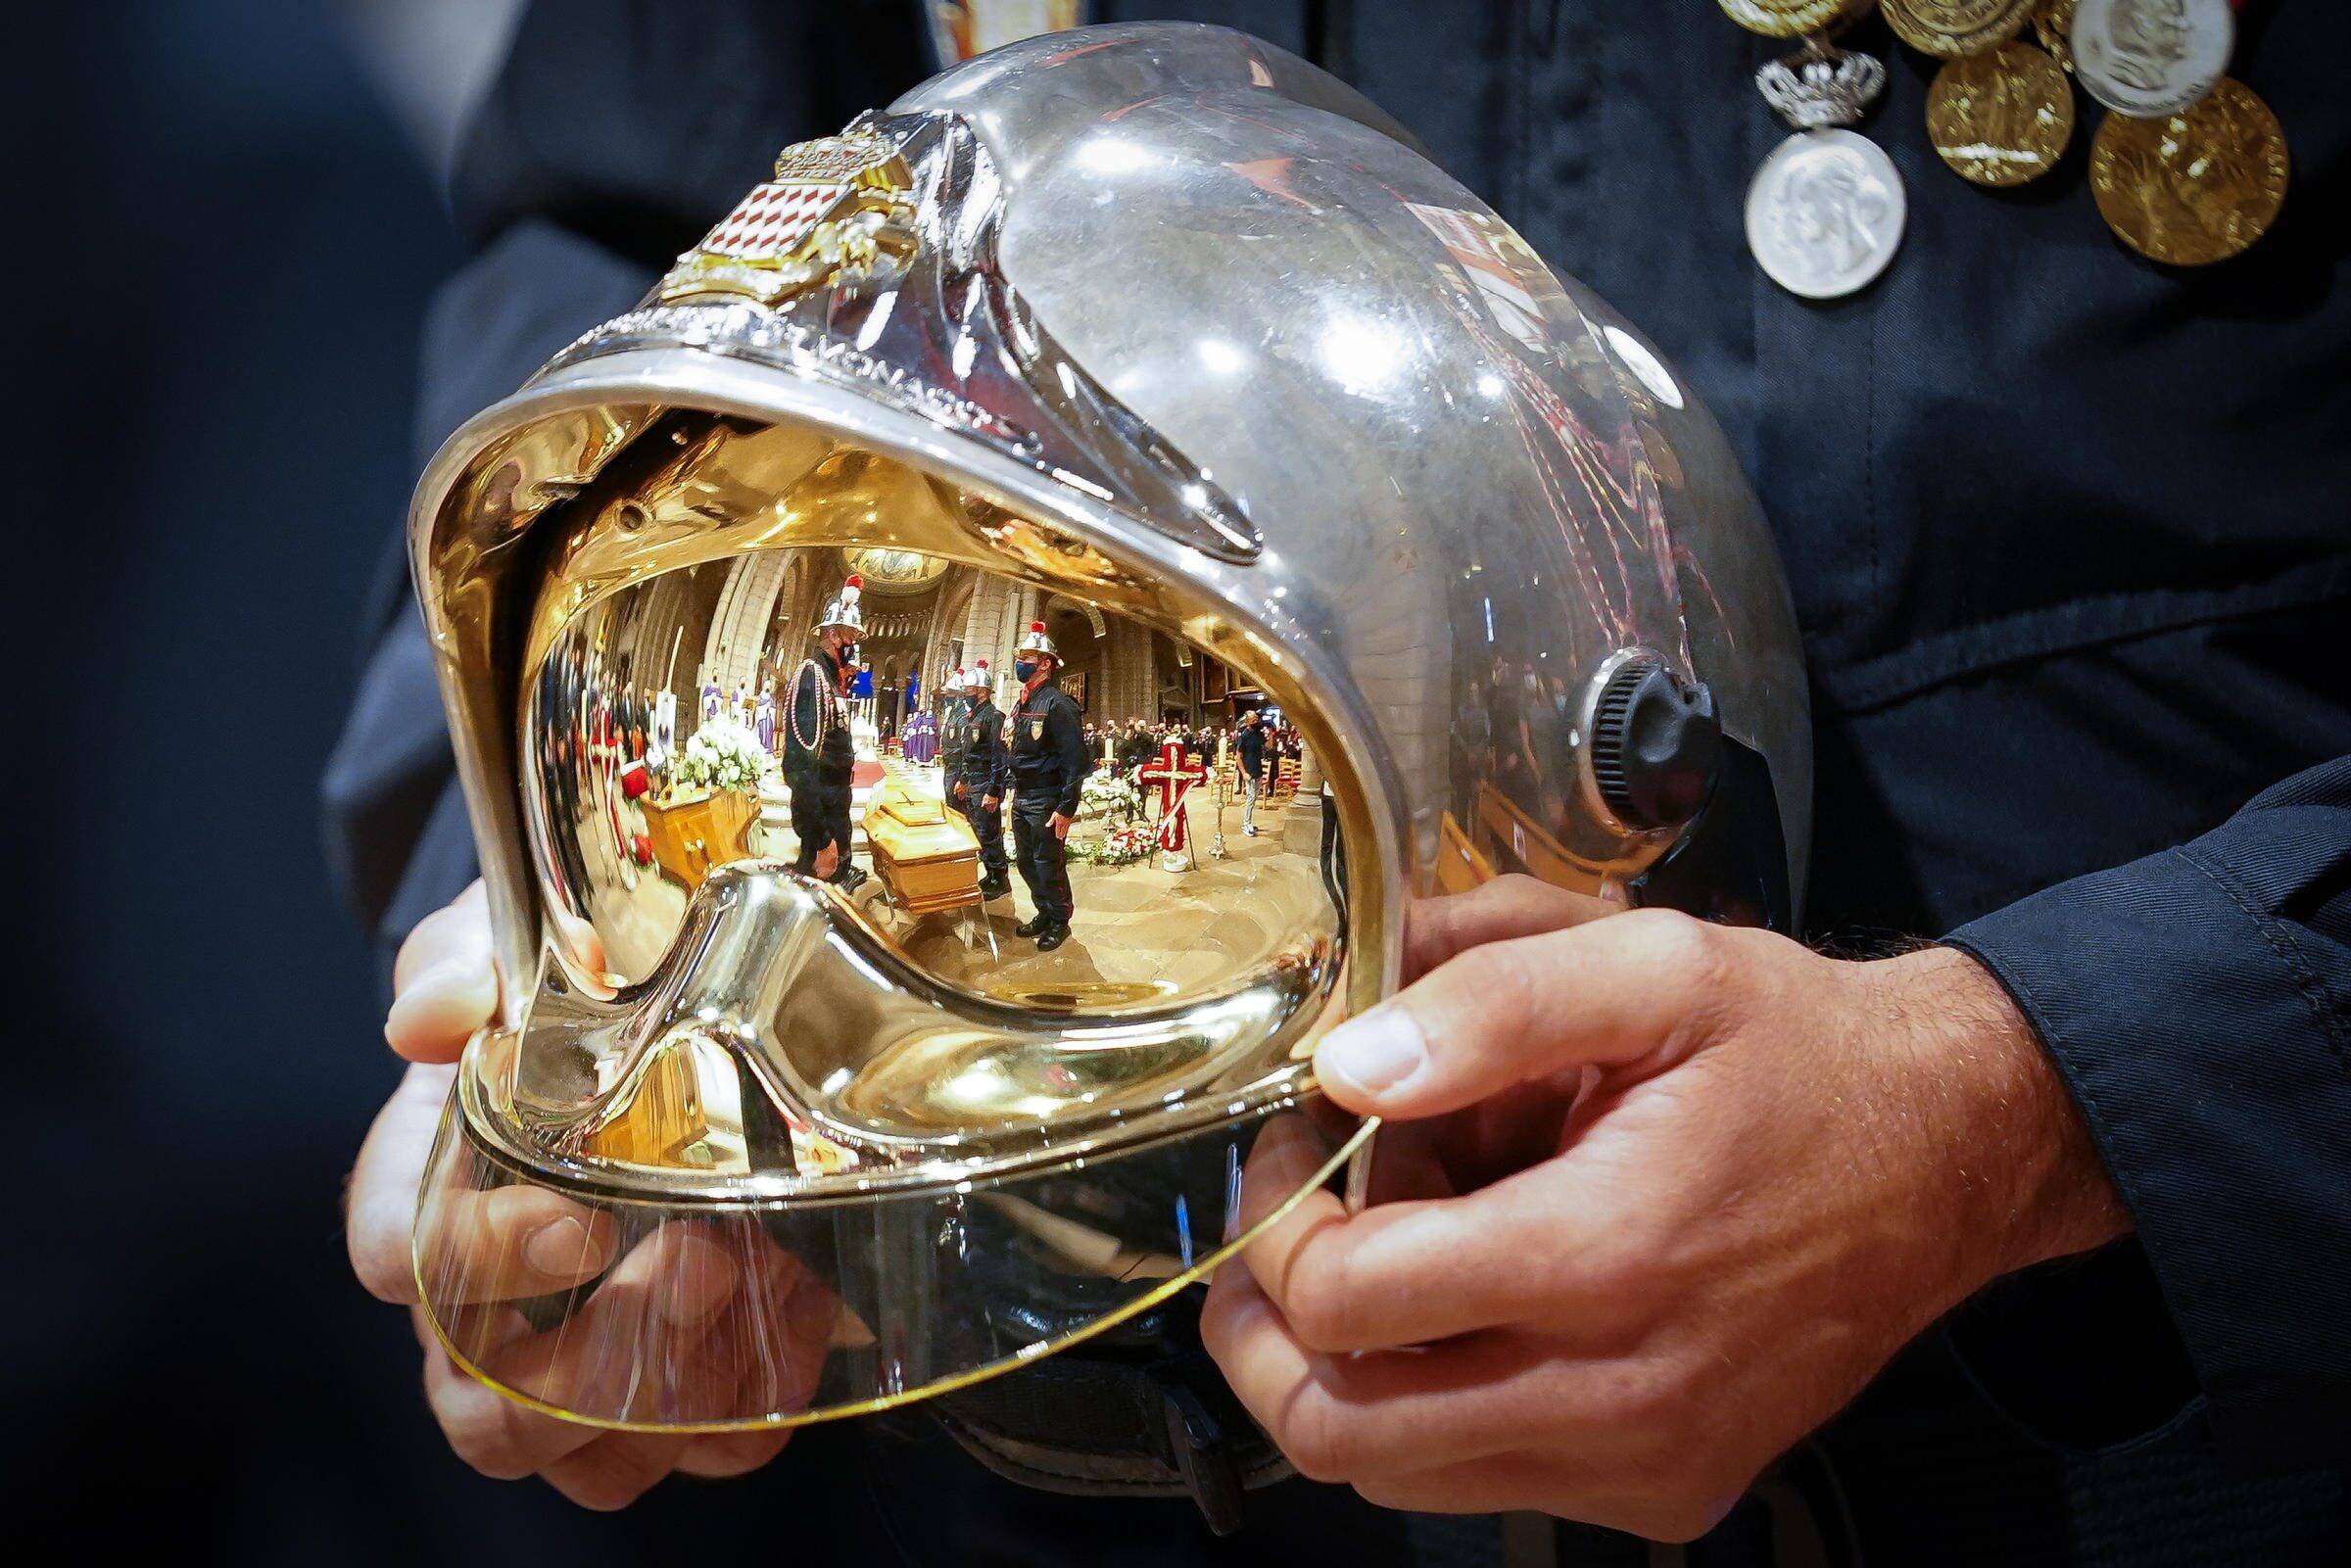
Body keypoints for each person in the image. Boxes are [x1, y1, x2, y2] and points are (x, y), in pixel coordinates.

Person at [329, 4, 2351, 1562]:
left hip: (2137, 1400)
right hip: (1044, 1370)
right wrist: (541, 879)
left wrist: (2037, 1092)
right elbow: (638, 204)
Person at [997, 620, 1089, 951]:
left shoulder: (1058, 704)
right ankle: (1044, 912)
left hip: (1047, 799)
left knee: (1048, 864)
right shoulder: (1023, 703)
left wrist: (1066, 808)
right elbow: (1016, 750)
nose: (1020, 662)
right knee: (1025, 862)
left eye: (1027, 656)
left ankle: (1060, 920)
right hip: (1023, 797)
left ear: (1046, 663)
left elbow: (1076, 762)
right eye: (1020, 656)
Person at [783, 573, 863, 890]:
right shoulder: (811, 677)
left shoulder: (831, 680)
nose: (853, 645)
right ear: (832, 634)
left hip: (835, 807)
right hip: (824, 817)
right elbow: (800, 768)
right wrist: (820, 839)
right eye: (850, 637)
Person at [941, 663, 1012, 900]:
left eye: (969, 690)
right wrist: (962, 779)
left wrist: (993, 790)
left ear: (981, 691)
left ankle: (999, 878)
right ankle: (990, 873)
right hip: (972, 781)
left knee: (989, 832)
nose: (965, 694)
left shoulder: (993, 717)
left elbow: (998, 756)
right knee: (978, 832)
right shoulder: (974, 716)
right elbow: (967, 751)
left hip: (985, 783)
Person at [1236, 709, 1268, 836]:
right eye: (1254, 720)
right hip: (1249, 772)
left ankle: (1249, 822)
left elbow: (1268, 746)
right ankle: (1245, 824)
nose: (1257, 721)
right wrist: (1243, 773)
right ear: (1248, 722)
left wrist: (1270, 734)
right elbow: (1238, 756)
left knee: (1253, 799)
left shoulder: (1258, 733)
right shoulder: (1244, 735)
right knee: (1250, 799)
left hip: (1258, 770)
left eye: (1257, 719)